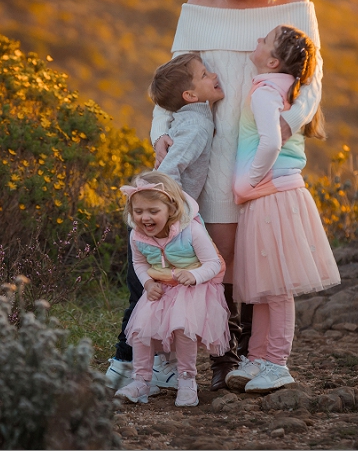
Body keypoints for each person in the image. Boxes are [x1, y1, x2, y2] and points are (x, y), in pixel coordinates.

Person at [151, 0, 324, 391]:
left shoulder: (294, 1)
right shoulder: (199, 6)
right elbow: (172, 80)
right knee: (221, 255)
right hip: (212, 148)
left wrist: (291, 123)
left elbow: (311, 75)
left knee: (261, 255)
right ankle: (223, 357)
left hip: (263, 148)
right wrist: (159, 135)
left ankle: (257, 356)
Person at [229, 24, 341, 392]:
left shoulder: (265, 92)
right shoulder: (283, 89)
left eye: (264, 40)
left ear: (273, 60)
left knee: (276, 289)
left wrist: (249, 181)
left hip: (270, 195)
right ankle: (259, 357)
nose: (256, 40)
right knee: (265, 286)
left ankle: (277, 363)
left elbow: (270, 143)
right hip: (275, 196)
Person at [105, 52, 224, 393]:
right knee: (148, 293)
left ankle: (156, 366)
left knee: (159, 294)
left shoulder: (191, 116)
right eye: (205, 74)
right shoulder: (197, 123)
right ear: (190, 95)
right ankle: (129, 363)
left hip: (166, 223)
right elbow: (169, 172)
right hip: (168, 226)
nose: (214, 75)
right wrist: (170, 209)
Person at [114, 171, 229, 407]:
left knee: (182, 328)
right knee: (140, 331)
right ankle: (141, 381)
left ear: (171, 209)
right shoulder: (138, 236)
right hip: (162, 287)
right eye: (138, 211)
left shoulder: (191, 231)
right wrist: (147, 283)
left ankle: (187, 380)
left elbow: (213, 263)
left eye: (153, 211)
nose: (145, 218)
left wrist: (194, 276)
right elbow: (140, 263)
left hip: (193, 289)